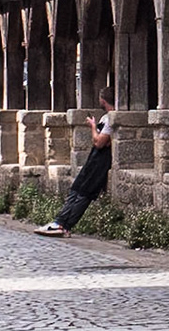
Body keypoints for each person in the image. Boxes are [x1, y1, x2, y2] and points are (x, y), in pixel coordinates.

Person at [36, 91, 115, 236]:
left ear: (103, 100)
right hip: (94, 159)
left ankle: (64, 225)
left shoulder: (111, 119)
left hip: (101, 161)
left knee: (85, 193)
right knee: (77, 188)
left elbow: (99, 142)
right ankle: (58, 221)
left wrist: (92, 126)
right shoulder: (105, 118)